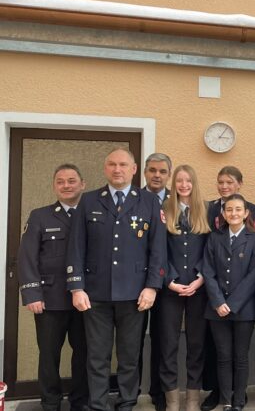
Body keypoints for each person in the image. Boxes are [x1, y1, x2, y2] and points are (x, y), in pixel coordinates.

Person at [67, 148, 166, 411]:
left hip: (135, 295)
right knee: (97, 356)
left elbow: (158, 249)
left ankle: (126, 403)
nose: (117, 169)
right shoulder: (88, 201)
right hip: (95, 294)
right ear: (105, 168)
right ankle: (98, 404)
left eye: (123, 164)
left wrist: (152, 287)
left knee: (129, 357)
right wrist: (76, 287)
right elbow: (76, 247)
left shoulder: (149, 201)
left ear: (134, 169)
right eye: (112, 164)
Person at [18, 163, 88, 411]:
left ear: (83, 184)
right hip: (49, 300)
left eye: (71, 180)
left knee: (84, 355)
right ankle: (50, 402)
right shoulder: (40, 216)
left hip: (86, 302)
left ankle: (80, 401)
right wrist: (32, 293)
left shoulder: (91, 214)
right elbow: (27, 258)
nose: (66, 185)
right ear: (54, 186)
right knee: (49, 356)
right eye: (60, 181)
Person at [203, 165, 255, 410]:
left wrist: (233, 303)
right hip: (216, 309)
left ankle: (239, 401)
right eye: (229, 209)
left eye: (238, 209)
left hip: (243, 309)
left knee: (240, 358)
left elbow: (254, 274)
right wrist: (218, 302)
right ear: (223, 214)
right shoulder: (214, 237)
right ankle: (226, 401)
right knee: (223, 357)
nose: (234, 213)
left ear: (246, 212)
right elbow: (208, 270)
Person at [158, 165, 211, 411]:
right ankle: (171, 399)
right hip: (171, 288)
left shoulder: (206, 210)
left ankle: (192, 398)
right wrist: (169, 279)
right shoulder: (163, 210)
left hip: (198, 288)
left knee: (196, 343)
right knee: (168, 343)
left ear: (194, 183)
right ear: (173, 184)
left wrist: (200, 278)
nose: (183, 185)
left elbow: (211, 250)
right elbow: (158, 249)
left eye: (188, 180)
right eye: (179, 180)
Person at [142, 152, 172, 411]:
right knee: (135, 339)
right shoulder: (135, 199)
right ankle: (131, 390)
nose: (157, 175)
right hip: (138, 283)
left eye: (162, 171)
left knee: (163, 339)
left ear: (168, 175)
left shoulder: (178, 201)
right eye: (152, 170)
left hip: (168, 283)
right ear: (144, 172)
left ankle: (159, 391)